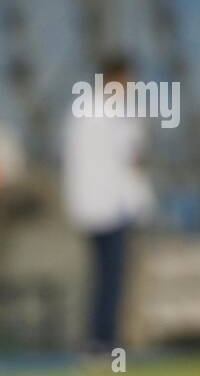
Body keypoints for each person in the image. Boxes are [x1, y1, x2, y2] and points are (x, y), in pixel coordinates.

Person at [62, 56, 153, 356]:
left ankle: (98, 342)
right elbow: (133, 158)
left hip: (88, 205)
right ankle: (105, 345)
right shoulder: (119, 112)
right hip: (112, 207)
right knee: (111, 280)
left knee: (100, 278)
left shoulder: (82, 111)